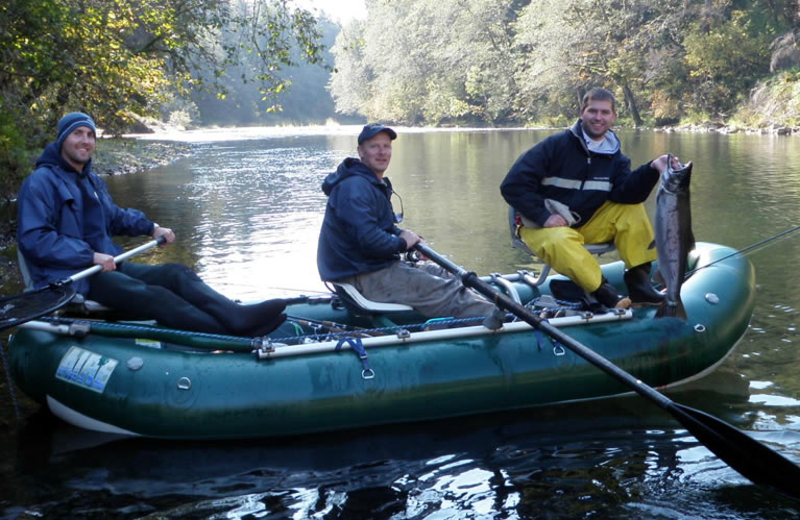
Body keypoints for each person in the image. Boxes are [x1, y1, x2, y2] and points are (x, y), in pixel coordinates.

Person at [16, 112, 286, 336]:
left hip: (107, 266)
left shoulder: (90, 180)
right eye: (78, 134)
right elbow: (35, 239)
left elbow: (115, 217)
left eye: (90, 135)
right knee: (155, 296)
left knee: (176, 273)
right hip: (73, 278)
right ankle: (229, 335)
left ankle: (236, 316)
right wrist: (90, 255)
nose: (85, 141)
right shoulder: (39, 182)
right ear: (63, 139)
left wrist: (151, 227)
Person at [500, 88, 672, 309]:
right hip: (540, 227)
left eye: (604, 112)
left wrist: (652, 169)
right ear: (582, 112)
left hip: (584, 225)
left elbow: (626, 194)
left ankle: (640, 287)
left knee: (632, 209)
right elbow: (511, 185)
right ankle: (604, 292)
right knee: (559, 239)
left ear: (613, 117)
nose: (598, 117)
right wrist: (544, 217)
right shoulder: (554, 146)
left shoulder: (617, 159)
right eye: (593, 111)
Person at [317, 123, 497, 319]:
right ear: (360, 151)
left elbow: (380, 228)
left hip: (372, 267)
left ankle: (491, 314)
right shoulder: (355, 187)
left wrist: (413, 241)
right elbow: (369, 240)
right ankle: (504, 323)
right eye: (374, 146)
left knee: (446, 274)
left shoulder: (368, 182)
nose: (382, 152)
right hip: (363, 277)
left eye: (386, 146)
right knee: (447, 290)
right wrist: (403, 243)